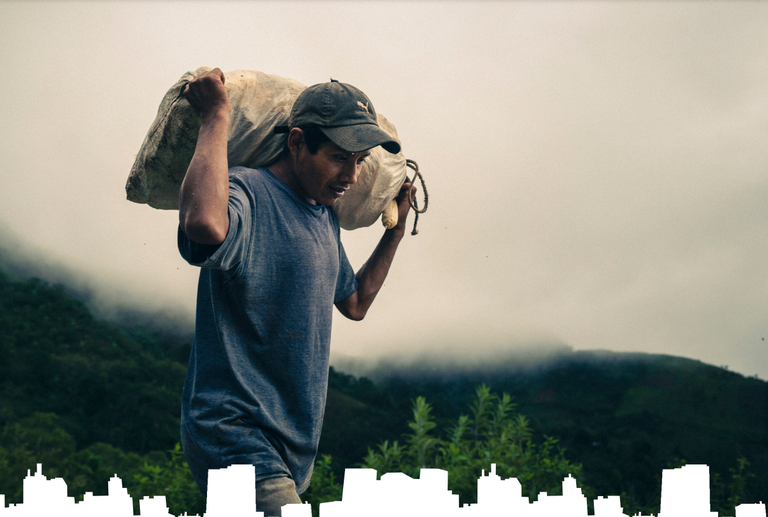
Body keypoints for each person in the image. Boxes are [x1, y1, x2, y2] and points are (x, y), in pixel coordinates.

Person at [176, 68, 413, 516]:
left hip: (289, 446)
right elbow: (204, 224)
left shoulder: (323, 217)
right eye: (340, 158)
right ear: (298, 142)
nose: (351, 175)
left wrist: (394, 235)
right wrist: (215, 117)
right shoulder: (250, 190)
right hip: (233, 431)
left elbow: (356, 303)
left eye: (360, 161)